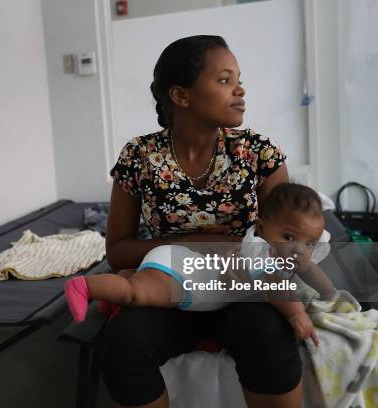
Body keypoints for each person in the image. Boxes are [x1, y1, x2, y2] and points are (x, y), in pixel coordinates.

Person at [95, 35, 302, 408]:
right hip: (174, 288)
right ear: (181, 95)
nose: (240, 89)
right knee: (122, 339)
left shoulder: (259, 153)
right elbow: (118, 252)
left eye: (238, 78)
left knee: (266, 331)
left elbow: (282, 249)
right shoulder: (140, 156)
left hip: (243, 288)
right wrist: (204, 244)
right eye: (224, 80)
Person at [65, 183, 337, 349]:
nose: (297, 249)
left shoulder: (287, 252)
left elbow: (314, 275)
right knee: (135, 291)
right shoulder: (260, 252)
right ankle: (85, 286)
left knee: (138, 283)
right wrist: (297, 315)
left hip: (177, 265)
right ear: (263, 228)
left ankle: (114, 295)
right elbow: (276, 286)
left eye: (308, 243)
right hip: (184, 275)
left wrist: (327, 291)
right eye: (289, 238)